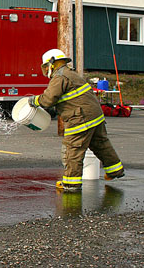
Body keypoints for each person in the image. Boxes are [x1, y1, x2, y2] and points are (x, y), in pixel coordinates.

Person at [29, 49, 125, 191]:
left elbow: (48, 100)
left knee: (72, 149)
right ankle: (114, 171)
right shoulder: (72, 74)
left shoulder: (60, 77)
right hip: (95, 116)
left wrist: (34, 100)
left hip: (80, 118)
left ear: (51, 64)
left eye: (46, 66)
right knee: (101, 144)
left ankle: (70, 183)